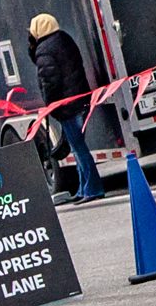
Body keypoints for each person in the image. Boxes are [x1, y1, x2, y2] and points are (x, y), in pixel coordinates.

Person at [28, 13, 107, 202]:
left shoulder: (44, 49)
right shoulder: (64, 39)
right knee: (77, 145)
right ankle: (83, 188)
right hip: (80, 101)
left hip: (66, 106)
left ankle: (93, 188)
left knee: (79, 148)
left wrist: (51, 106)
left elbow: (49, 81)